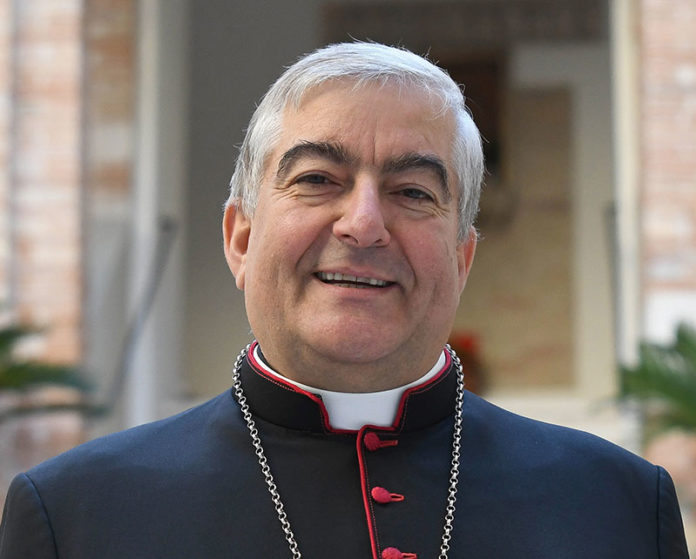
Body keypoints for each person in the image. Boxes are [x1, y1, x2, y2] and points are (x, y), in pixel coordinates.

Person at [0, 42, 689, 559]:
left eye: (412, 191)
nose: (363, 224)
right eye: (317, 179)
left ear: (461, 259)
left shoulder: (620, 505)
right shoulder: (76, 514)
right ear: (241, 239)